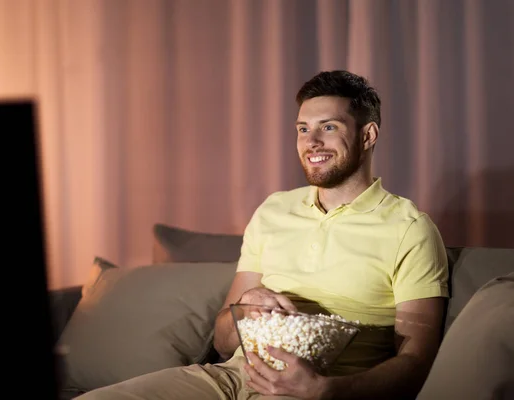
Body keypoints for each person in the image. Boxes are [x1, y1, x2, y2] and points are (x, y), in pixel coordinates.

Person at [75, 70, 450, 400]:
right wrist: (245, 309)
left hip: (319, 391)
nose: (311, 141)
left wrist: (329, 391)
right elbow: (223, 342)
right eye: (303, 129)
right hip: (228, 379)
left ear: (368, 135)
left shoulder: (409, 229)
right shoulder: (274, 211)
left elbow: (417, 361)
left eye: (329, 127)